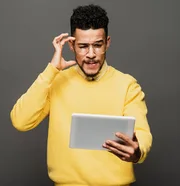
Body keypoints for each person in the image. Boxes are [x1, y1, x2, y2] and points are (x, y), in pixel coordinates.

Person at [9, 4, 153, 186]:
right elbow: (21, 121)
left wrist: (138, 150)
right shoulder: (55, 81)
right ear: (71, 45)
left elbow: (142, 132)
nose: (91, 54)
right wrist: (51, 71)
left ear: (107, 43)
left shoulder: (127, 85)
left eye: (97, 45)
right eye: (83, 46)